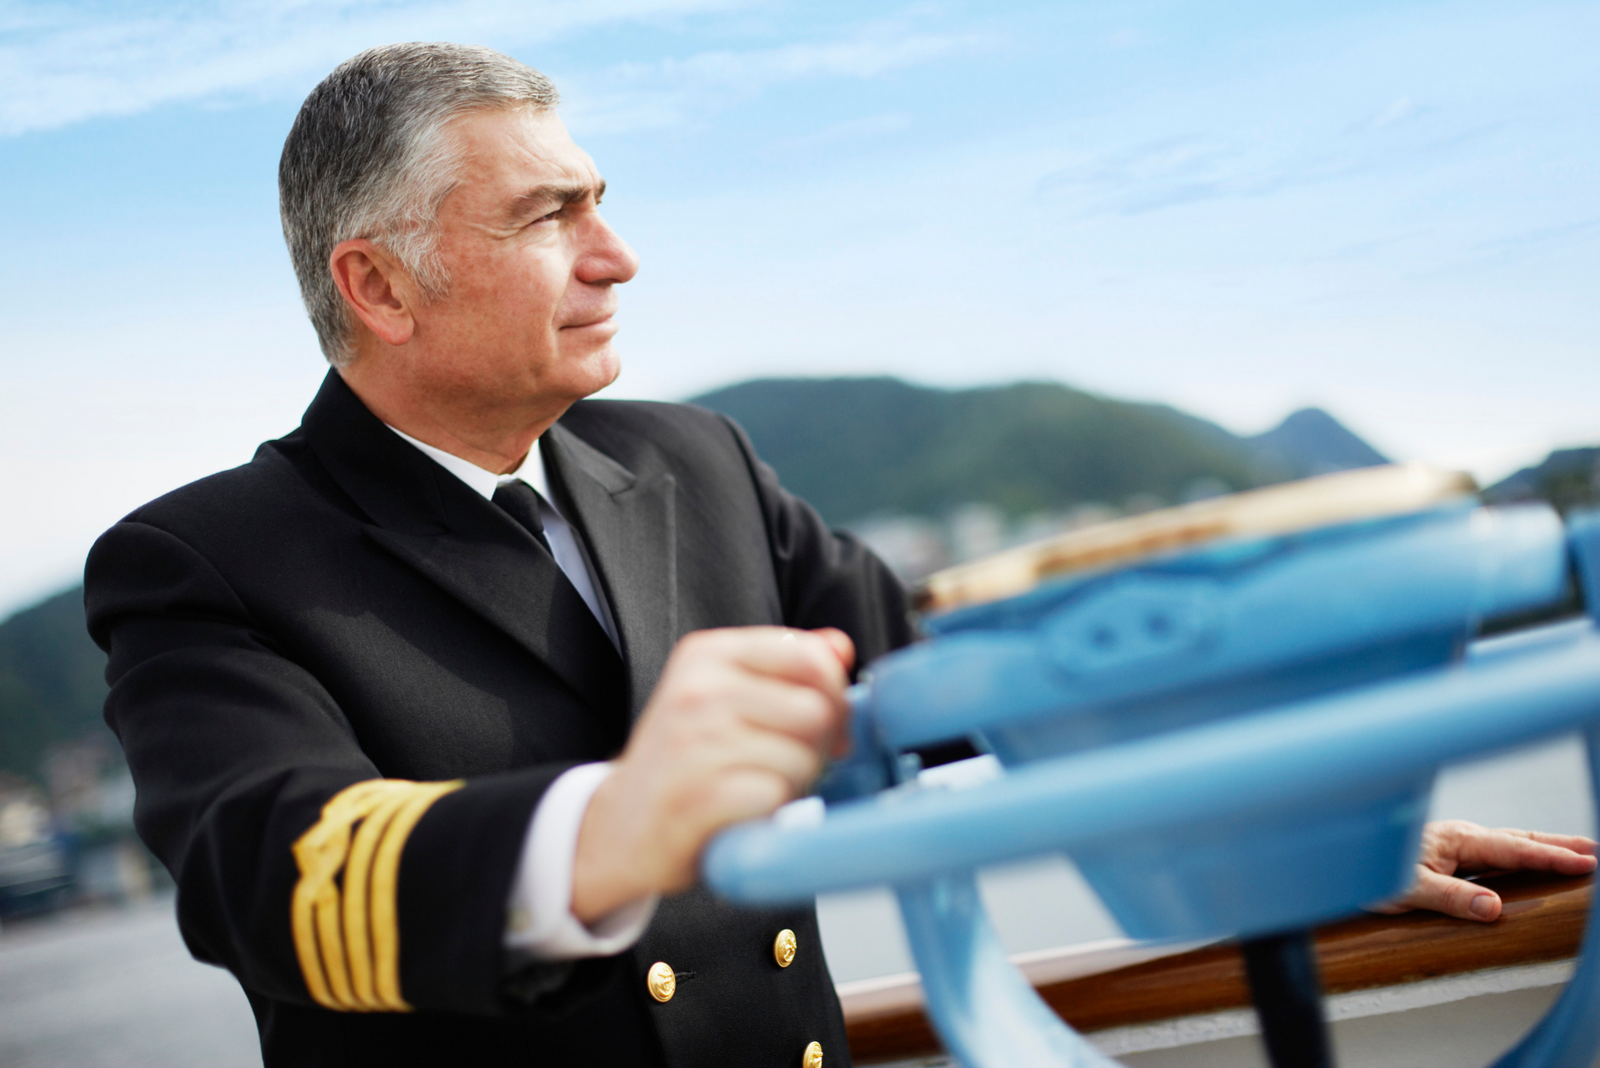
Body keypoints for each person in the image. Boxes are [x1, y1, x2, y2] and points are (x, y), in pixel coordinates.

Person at [84, 41, 1595, 1068]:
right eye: (553, 216)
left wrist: (1277, 830)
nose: (617, 256)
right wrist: (615, 823)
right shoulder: (204, 559)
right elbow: (272, 881)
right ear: (380, 286)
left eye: (604, 203)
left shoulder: (692, 462)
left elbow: (965, 694)